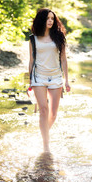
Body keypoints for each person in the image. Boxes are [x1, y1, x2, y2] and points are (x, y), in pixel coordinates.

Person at [28, 8, 71, 152]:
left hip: (56, 77)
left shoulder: (59, 37)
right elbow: (31, 60)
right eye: (47, 18)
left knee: (53, 113)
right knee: (43, 111)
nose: (50, 21)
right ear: (42, 20)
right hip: (38, 77)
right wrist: (30, 81)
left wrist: (66, 80)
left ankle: (43, 133)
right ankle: (46, 145)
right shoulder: (33, 38)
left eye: (52, 18)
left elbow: (64, 59)